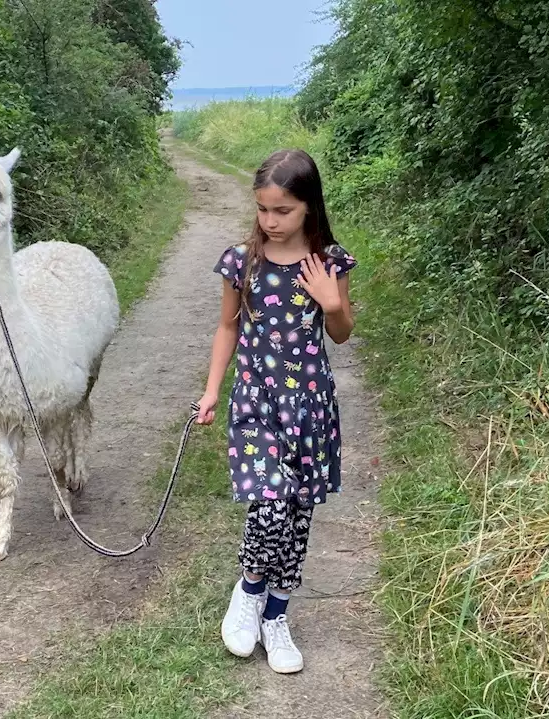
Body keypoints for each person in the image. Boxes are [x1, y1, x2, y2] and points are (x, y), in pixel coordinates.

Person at [195, 148, 356, 674]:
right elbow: (228, 327)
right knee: (269, 507)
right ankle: (249, 591)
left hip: (310, 408)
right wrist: (212, 390)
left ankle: (277, 616)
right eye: (263, 209)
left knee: (297, 515)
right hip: (256, 401)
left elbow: (341, 333)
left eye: (282, 211)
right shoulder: (241, 261)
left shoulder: (327, 262)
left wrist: (332, 303)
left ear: (309, 206)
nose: (271, 221)